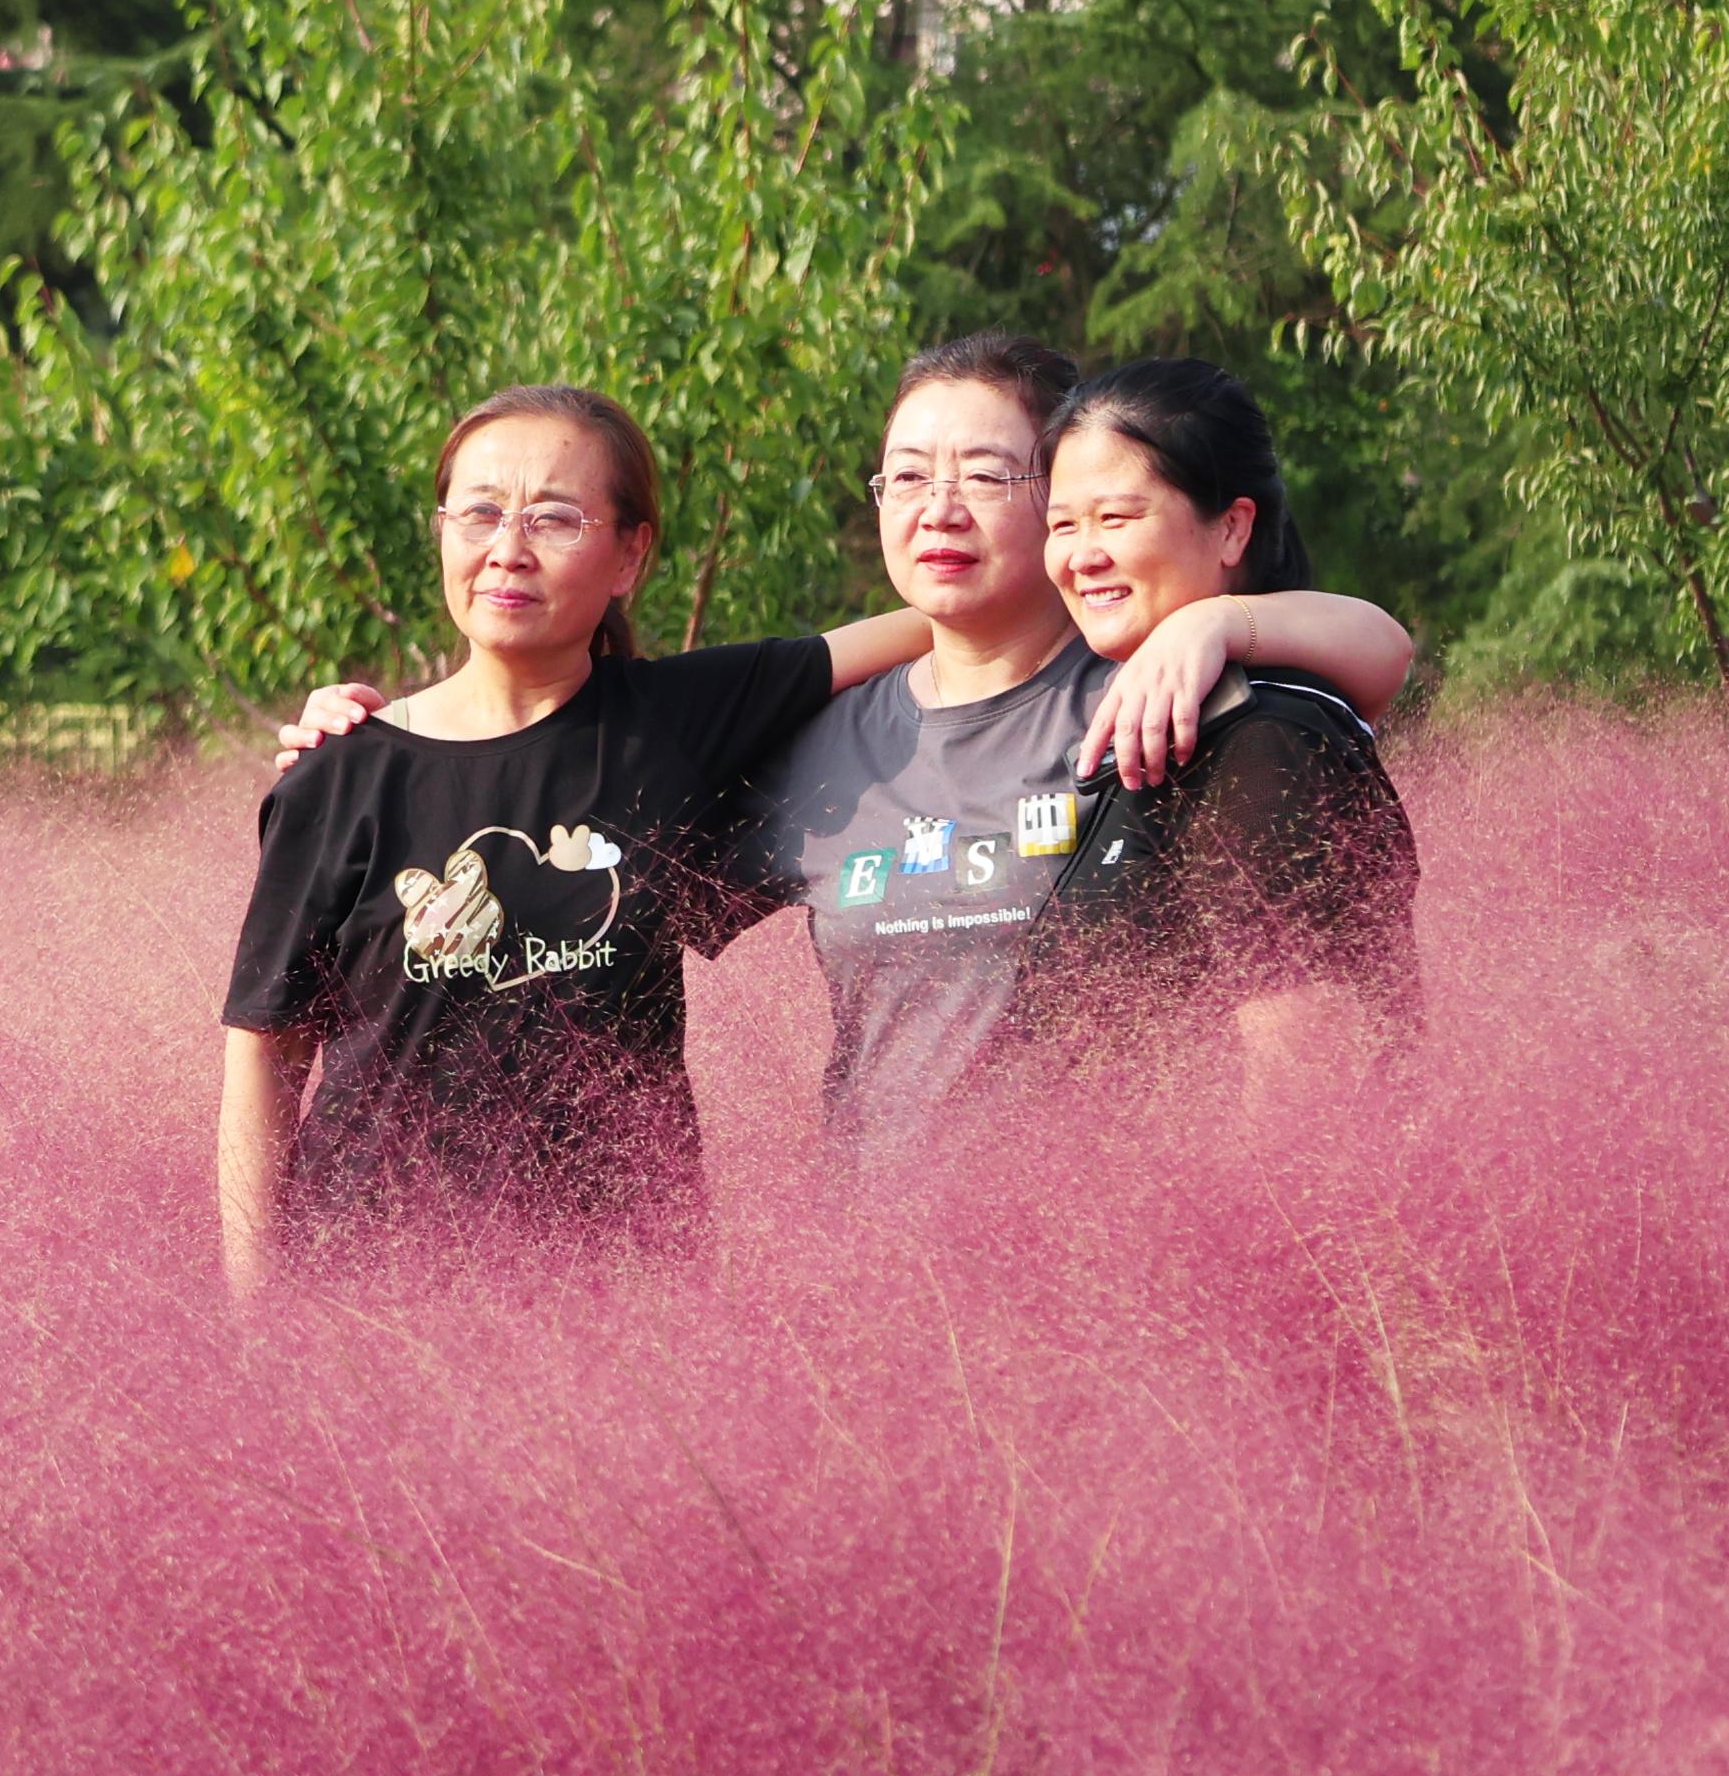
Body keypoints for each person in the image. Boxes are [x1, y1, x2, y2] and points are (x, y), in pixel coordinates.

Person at [221, 386, 886, 1291]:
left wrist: (1154, 638)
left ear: (630, 555)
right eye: (480, 512)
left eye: (555, 519)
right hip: (370, 1286)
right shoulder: (341, 773)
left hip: (624, 1290)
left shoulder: (677, 722)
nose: (508, 549)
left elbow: (944, 617)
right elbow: (267, 1048)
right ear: (443, 530)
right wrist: (254, 1310)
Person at [745, 333, 1417, 1175]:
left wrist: (1213, 623)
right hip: (865, 1267)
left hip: (1092, 1260)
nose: (940, 508)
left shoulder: (1181, 708)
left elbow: (1314, 1064)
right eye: (908, 476)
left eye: (987, 476)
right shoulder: (814, 736)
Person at [999, 354, 1420, 1099]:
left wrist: (1216, 622)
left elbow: (1310, 1076)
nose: (1082, 555)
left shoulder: (1263, 742)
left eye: (1117, 518)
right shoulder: (1170, 721)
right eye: (1063, 525)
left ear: (1231, 530)